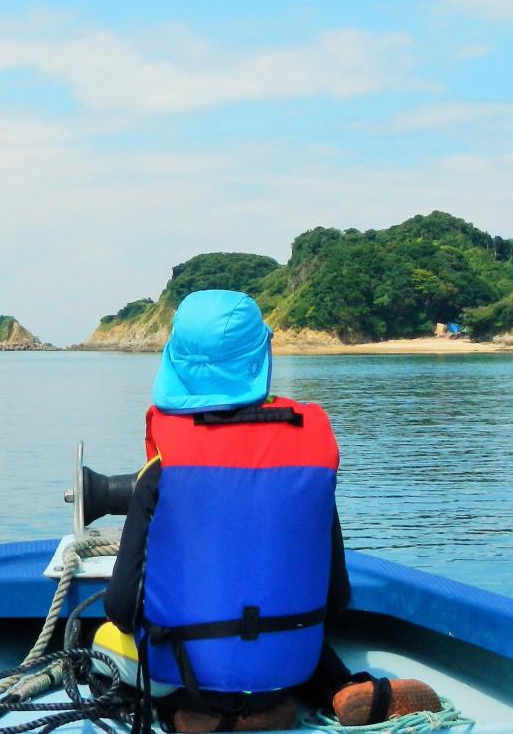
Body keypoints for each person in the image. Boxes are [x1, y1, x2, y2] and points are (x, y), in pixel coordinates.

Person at [103, 289, 439, 731]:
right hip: (288, 665)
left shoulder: (161, 468)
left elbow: (121, 607)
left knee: (105, 642)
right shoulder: (310, 457)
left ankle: (191, 712)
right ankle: (337, 688)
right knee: (286, 631)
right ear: (260, 356)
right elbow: (336, 597)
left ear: (176, 360)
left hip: (186, 669)